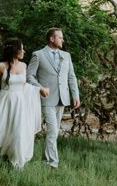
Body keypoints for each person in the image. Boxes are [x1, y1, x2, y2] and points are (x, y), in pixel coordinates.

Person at [0, 39, 49, 168]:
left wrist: (38, 89)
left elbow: (25, 85)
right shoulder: (0, 66)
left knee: (17, 130)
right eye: (21, 48)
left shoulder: (24, 66)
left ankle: (16, 159)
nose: (24, 51)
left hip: (19, 102)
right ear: (14, 50)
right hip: (4, 101)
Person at [27, 28, 80, 169]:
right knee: (52, 130)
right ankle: (53, 164)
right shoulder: (38, 55)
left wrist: (75, 95)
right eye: (60, 37)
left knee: (54, 132)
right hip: (46, 98)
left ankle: (46, 160)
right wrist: (40, 88)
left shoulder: (66, 56)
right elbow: (29, 76)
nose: (63, 40)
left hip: (62, 98)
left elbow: (71, 77)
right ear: (52, 39)